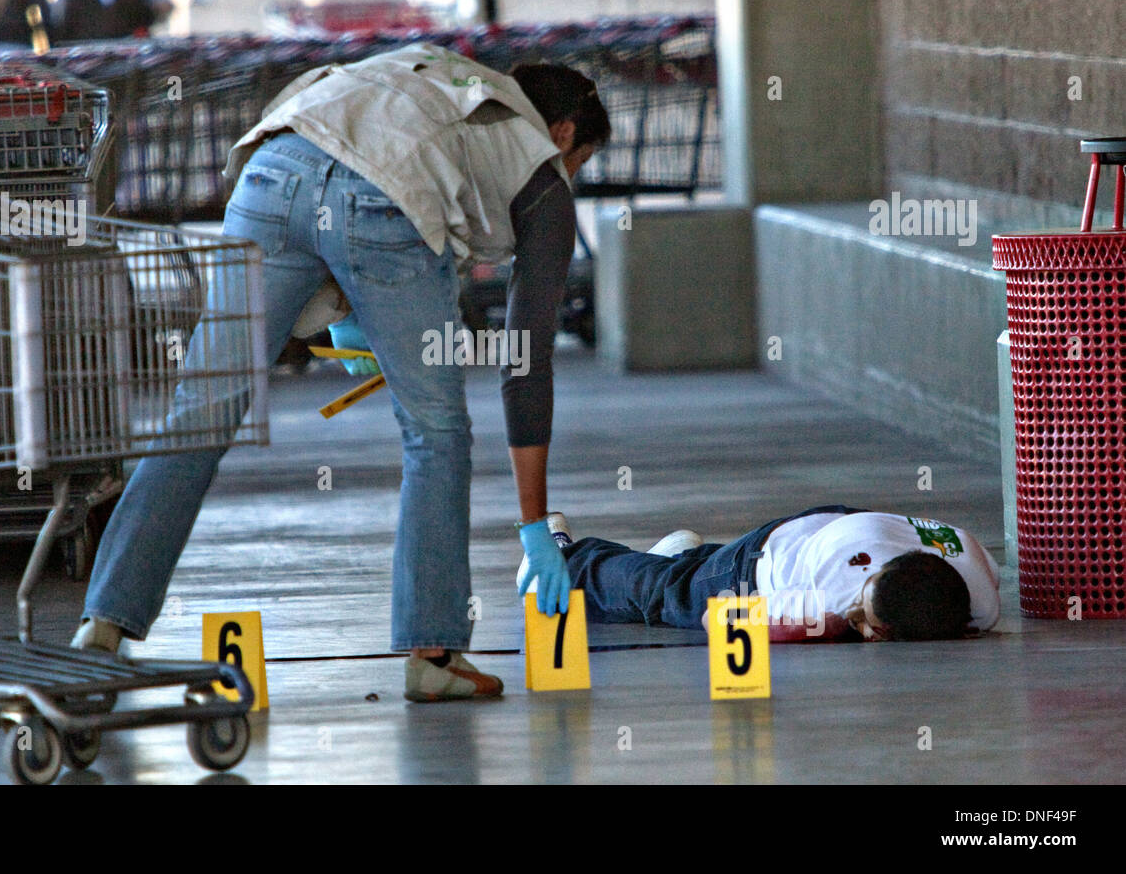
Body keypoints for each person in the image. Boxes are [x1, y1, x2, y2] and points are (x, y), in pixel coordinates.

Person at [72, 43, 611, 704]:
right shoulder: (541, 173)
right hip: (381, 202)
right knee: (435, 432)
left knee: (202, 411)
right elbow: (525, 362)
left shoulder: (441, 68)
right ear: (562, 135)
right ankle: (432, 653)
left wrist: (348, 300)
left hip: (271, 171)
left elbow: (346, 149)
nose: (572, 175)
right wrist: (535, 525)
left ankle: (103, 624)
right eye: (580, 161)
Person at [530, 507, 1000, 642]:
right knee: (673, 598)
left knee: (690, 574)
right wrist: (822, 628)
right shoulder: (831, 600)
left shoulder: (979, 587)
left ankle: (684, 559)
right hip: (757, 563)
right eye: (862, 608)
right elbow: (724, 620)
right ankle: (565, 561)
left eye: (867, 622)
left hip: (831, 524)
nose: (855, 615)